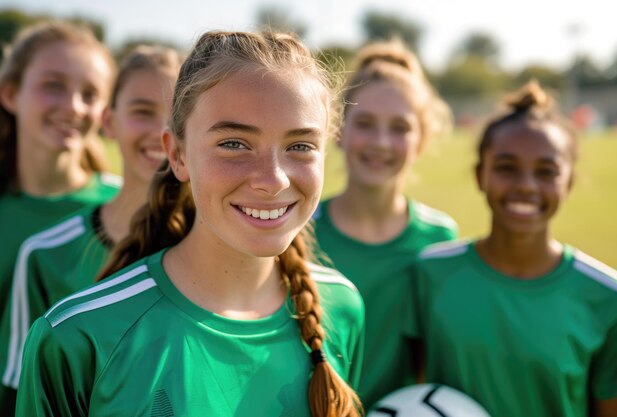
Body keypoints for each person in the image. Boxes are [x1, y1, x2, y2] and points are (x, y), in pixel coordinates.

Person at [16, 30, 365, 417]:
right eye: (234, 143)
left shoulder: (343, 307)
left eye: (300, 146)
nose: (273, 179)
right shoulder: (78, 336)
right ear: (177, 155)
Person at [407, 81, 617, 417]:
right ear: (481, 175)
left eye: (546, 172)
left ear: (568, 182)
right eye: (507, 167)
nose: (526, 185)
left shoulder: (612, 300)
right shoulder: (430, 274)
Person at [0, 45, 183, 416]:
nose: (161, 130)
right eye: (142, 111)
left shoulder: (219, 244)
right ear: (109, 122)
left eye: (177, 116)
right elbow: (24, 394)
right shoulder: (45, 254)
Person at [311, 39, 458, 409]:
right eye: (365, 123)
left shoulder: (439, 241)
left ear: (421, 140)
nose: (380, 142)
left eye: (399, 127)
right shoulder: (299, 231)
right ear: (338, 130)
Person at [0, 21, 119, 325]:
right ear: (10, 94)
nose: (73, 107)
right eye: (54, 86)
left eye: (90, 94)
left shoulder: (125, 208)